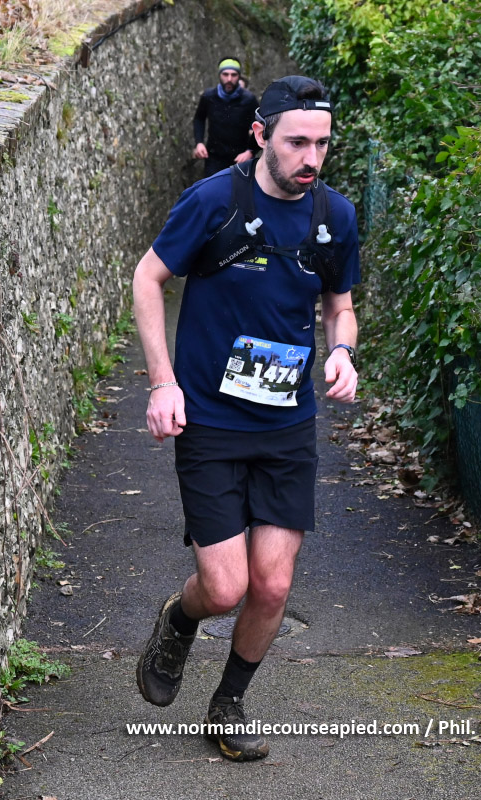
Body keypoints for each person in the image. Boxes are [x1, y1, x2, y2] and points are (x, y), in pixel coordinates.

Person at [133, 75, 360, 762]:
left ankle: (228, 702)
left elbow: (339, 305)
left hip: (286, 427)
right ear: (261, 136)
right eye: (296, 142)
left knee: (273, 583)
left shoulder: (335, 215)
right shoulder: (214, 202)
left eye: (321, 143)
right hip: (209, 421)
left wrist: (343, 350)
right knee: (225, 587)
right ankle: (179, 620)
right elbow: (148, 279)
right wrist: (162, 383)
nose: (311, 157)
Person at [192, 57, 258, 177]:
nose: (229, 79)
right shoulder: (208, 97)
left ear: (239, 76)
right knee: (213, 188)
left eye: (234, 75)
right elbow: (199, 119)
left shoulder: (249, 99)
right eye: (225, 74)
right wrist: (199, 142)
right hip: (214, 157)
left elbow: (260, 127)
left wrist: (250, 152)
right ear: (219, 75)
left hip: (240, 159)